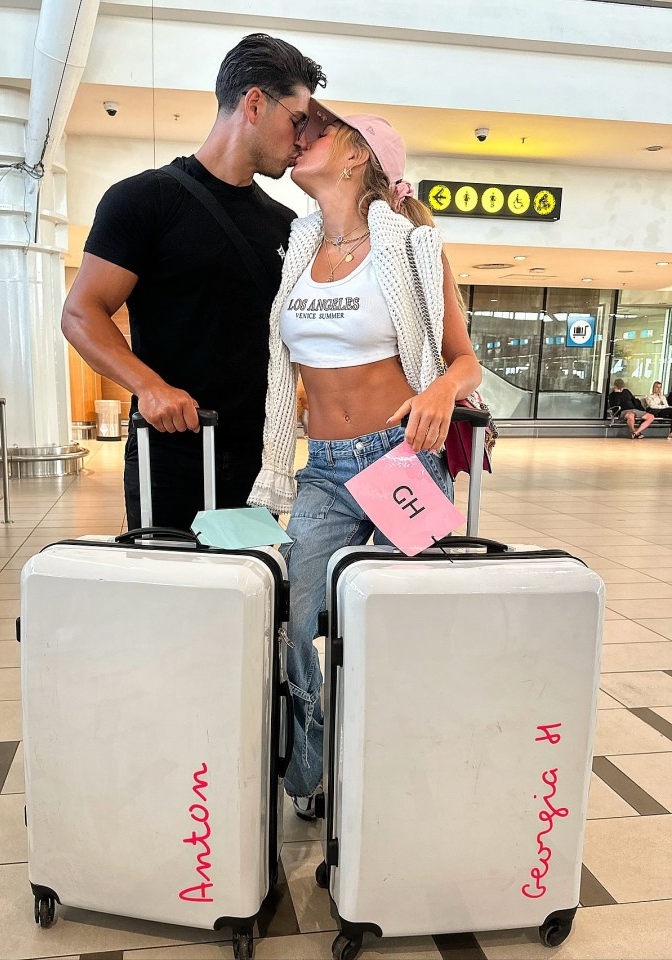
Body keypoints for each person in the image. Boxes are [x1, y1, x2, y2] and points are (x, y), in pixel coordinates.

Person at [247, 102, 482, 817]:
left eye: (318, 133)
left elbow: (464, 360)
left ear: (355, 157)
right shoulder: (296, 250)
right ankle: (313, 763)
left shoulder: (410, 250)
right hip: (323, 466)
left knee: (408, 628)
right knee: (295, 618)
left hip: (400, 458)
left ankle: (403, 763)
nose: (301, 139)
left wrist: (442, 390)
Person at [62, 35, 326, 530]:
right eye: (297, 120)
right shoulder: (145, 199)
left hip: (259, 460)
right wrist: (150, 387)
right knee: (173, 595)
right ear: (253, 103)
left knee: (250, 592)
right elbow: (81, 313)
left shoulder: (287, 224)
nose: (301, 139)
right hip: (172, 453)